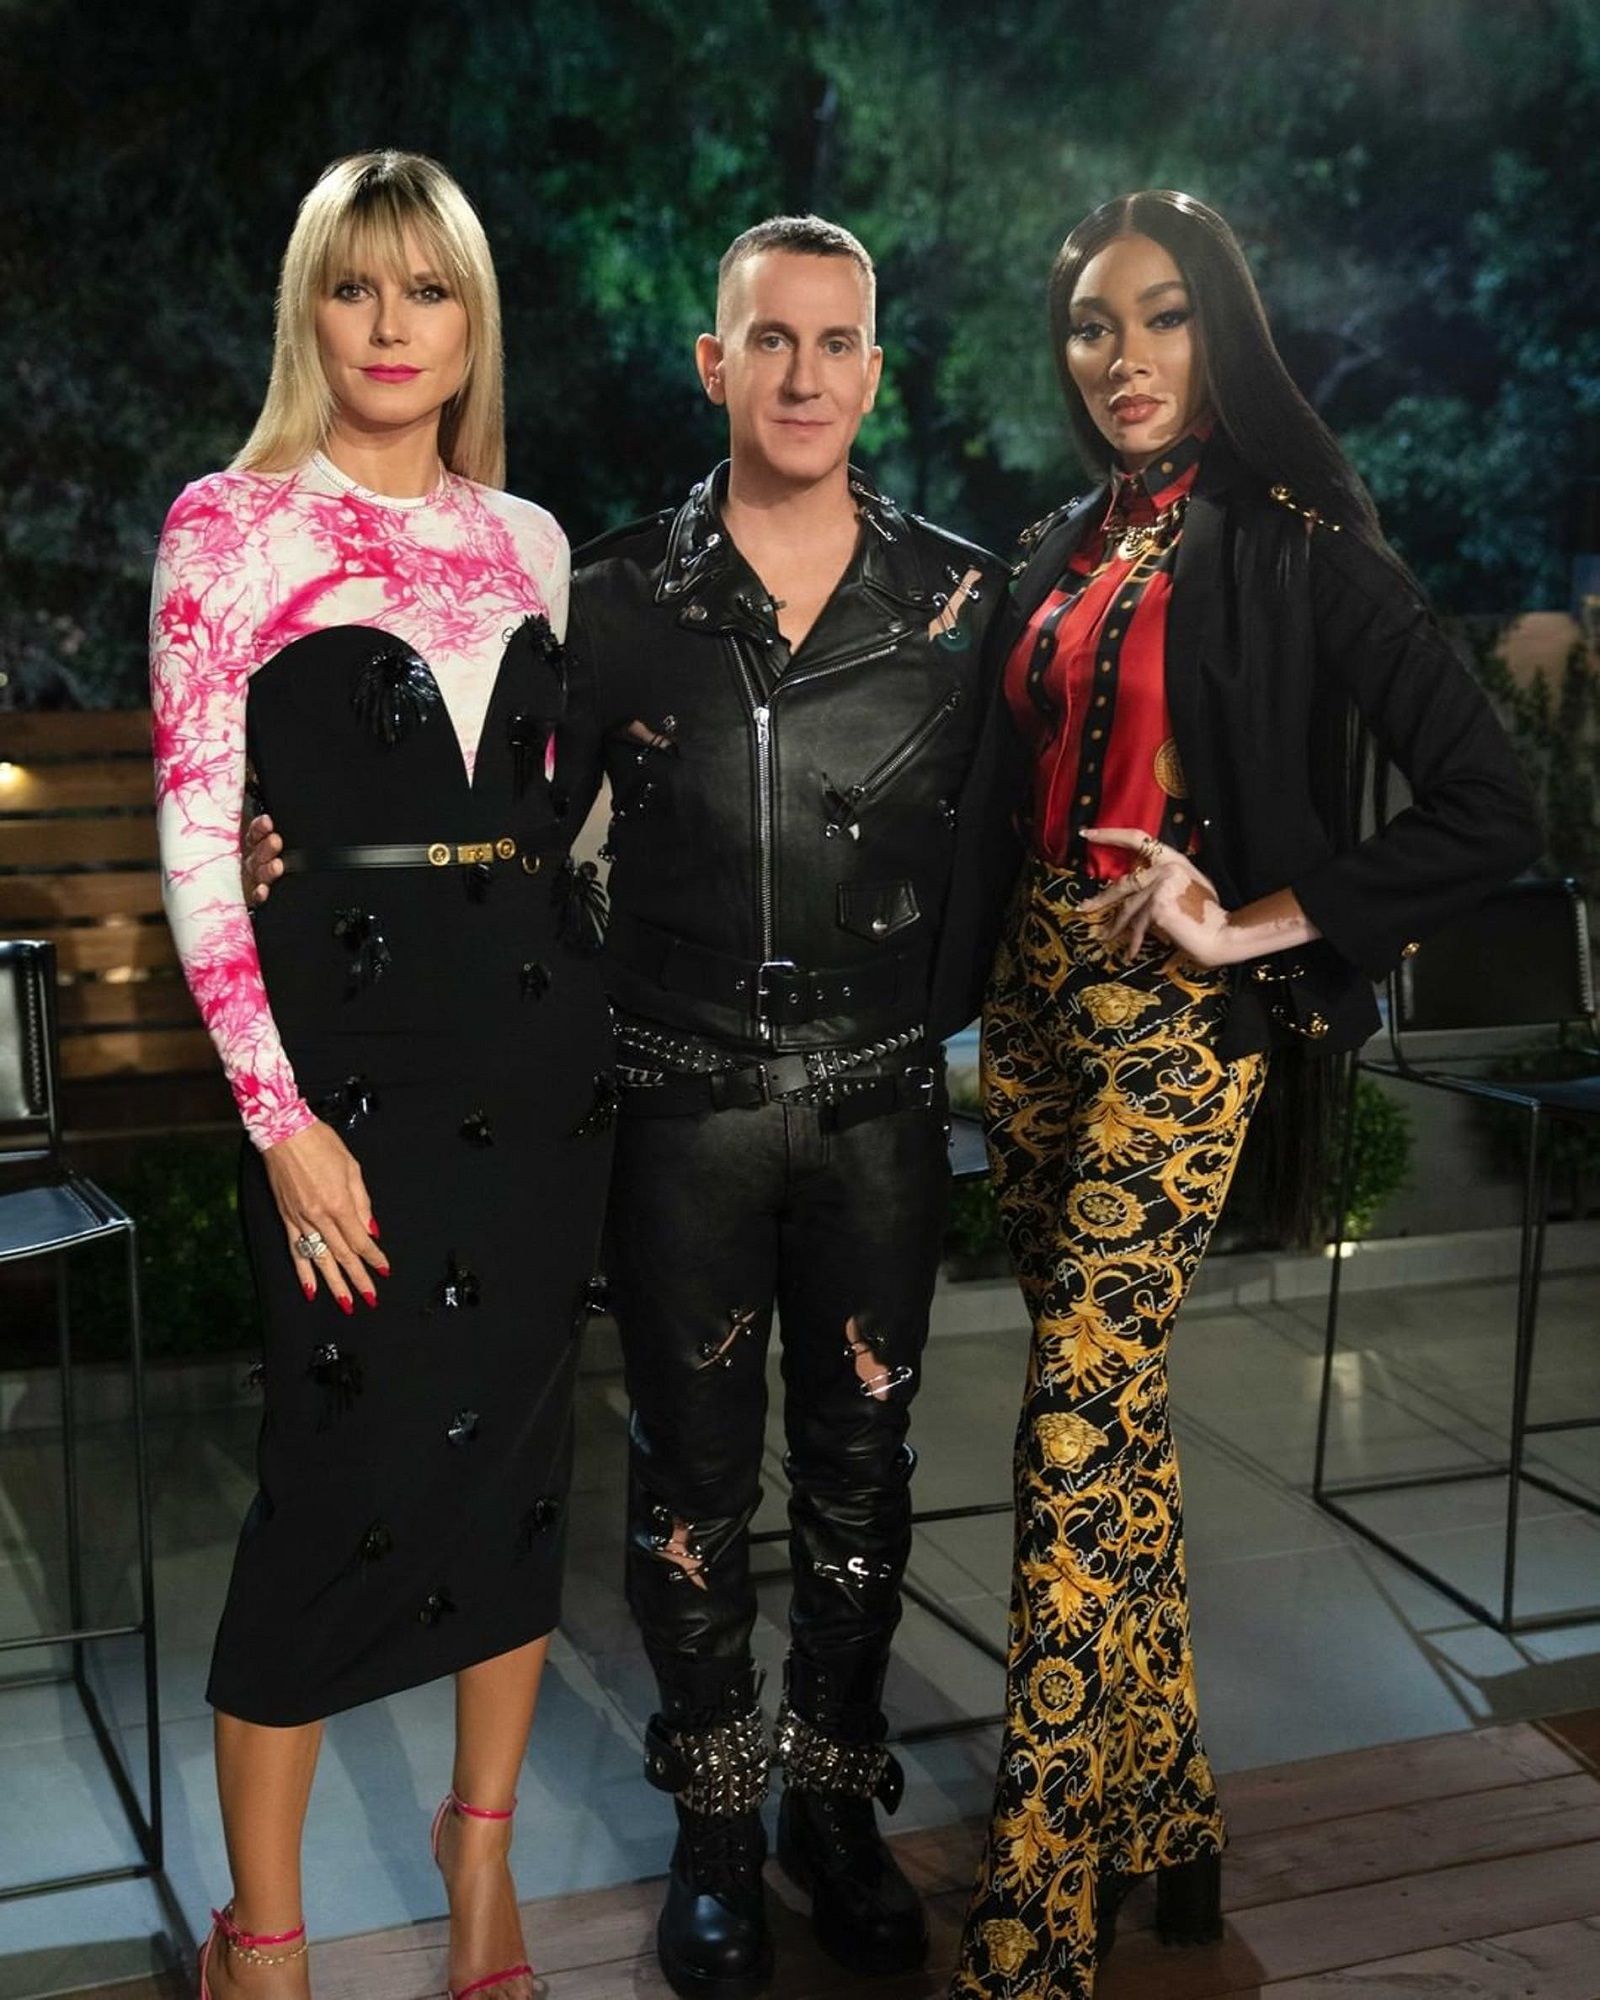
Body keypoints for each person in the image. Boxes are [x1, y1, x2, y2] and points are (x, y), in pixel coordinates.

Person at [950, 188, 1542, 2000]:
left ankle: (1040, 1901)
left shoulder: (1300, 546)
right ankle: (1175, 1814)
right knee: (1112, 1418)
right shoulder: (1057, 547)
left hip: (1175, 1024)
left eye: (1162, 316)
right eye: (1091, 325)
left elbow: (1489, 804)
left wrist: (1255, 923)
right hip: (1036, 1010)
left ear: (1223, 329)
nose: (1123, 356)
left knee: (1071, 1420)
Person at [151, 150, 612, 2000]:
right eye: (357, 286)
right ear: (311, 311)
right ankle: (264, 1940)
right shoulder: (229, 526)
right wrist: (279, 1125)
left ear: (473, 321)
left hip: (542, 1068)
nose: (392, 325)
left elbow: (542, 826)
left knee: (518, 1474)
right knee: (327, 1477)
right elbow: (198, 844)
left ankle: (477, 1867)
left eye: (429, 289)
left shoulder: (534, 542)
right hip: (343, 1080)